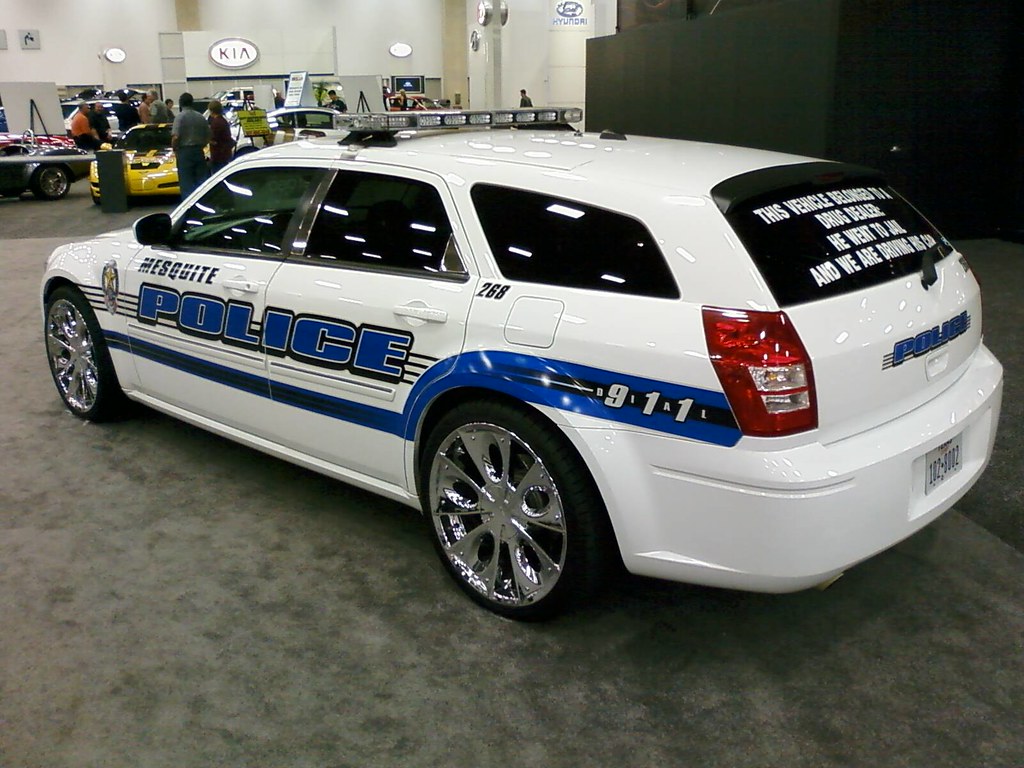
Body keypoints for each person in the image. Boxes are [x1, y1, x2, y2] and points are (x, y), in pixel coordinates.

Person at [172, 92, 211, 200]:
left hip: (184, 152)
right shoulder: (200, 117)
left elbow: (175, 137)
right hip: (199, 151)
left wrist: (174, 148)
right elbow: (208, 135)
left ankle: (188, 208)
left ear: (180, 103)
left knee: (186, 183)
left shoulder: (179, 117)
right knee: (201, 182)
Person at [206, 99, 234, 176]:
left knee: (218, 176)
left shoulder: (215, 123)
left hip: (218, 155)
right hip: (226, 154)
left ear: (211, 111)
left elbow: (213, 139)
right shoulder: (223, 121)